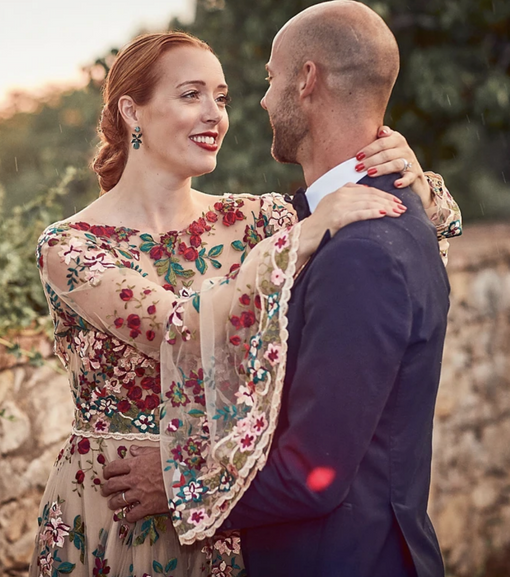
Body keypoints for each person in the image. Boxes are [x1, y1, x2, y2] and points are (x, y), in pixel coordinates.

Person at [31, 28, 460, 577]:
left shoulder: (253, 220)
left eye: (223, 97)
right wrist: (300, 240)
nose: (216, 114)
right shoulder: (71, 246)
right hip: (115, 513)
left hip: (230, 512)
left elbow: (401, 237)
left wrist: (409, 175)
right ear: (132, 112)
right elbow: (176, 330)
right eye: (191, 95)